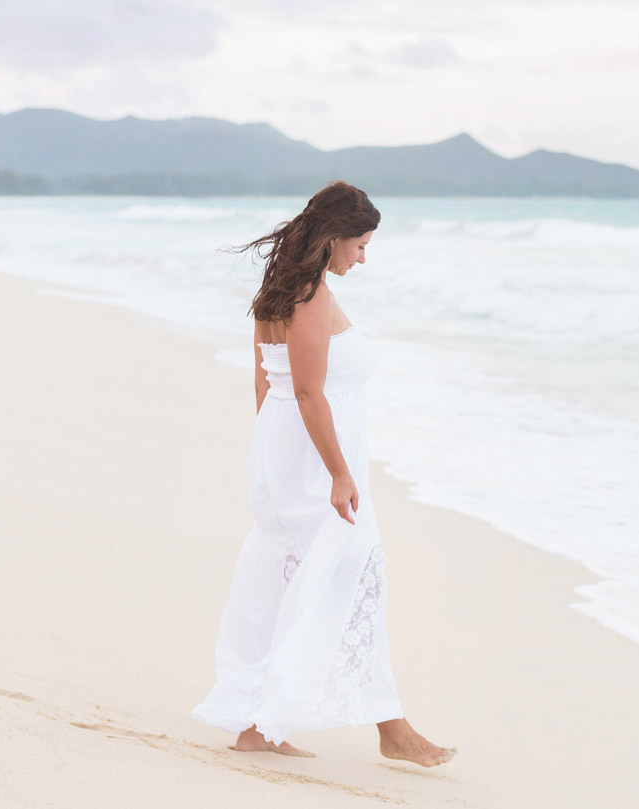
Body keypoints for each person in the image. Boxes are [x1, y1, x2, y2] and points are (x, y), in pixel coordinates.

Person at [192, 180, 456, 767]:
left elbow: (268, 382)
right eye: (360, 245)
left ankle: (263, 722)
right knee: (349, 575)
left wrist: (274, 452)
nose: (363, 257)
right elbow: (309, 392)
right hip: (314, 461)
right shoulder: (309, 294)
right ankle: (389, 728)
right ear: (334, 239)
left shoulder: (282, 287)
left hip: (288, 453)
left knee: (294, 576)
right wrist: (338, 474)